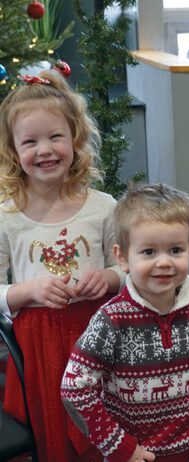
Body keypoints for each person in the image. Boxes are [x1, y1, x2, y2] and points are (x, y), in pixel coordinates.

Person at [61, 183, 189, 462]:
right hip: (139, 455)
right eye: (149, 252)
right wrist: (120, 447)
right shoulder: (110, 321)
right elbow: (75, 388)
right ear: (122, 257)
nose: (164, 262)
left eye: (175, 250)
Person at [0, 70, 124, 461]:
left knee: (107, 429)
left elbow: (128, 269)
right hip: (41, 346)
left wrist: (108, 278)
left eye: (55, 136)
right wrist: (28, 291)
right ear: (13, 149)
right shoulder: (7, 215)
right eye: (30, 141)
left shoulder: (103, 207)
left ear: (75, 138)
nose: (45, 150)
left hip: (100, 335)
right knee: (55, 433)